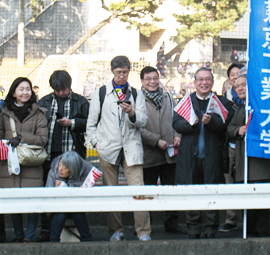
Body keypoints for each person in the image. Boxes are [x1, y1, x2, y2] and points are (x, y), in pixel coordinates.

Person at [86, 56, 151, 241]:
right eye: (118, 72)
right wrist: (97, 143)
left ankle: (143, 232)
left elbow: (143, 120)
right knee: (110, 190)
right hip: (107, 148)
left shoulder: (137, 94)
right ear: (112, 72)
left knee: (139, 190)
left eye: (125, 72)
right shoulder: (101, 93)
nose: (122, 76)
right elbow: (91, 124)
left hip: (132, 148)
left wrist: (131, 112)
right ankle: (116, 231)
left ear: (129, 71)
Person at [227, 75, 270, 237]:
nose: (241, 89)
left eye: (244, 85)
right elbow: (230, 128)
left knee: (264, 198)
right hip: (246, 161)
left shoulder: (263, 105)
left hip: (263, 160)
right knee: (250, 199)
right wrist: (239, 130)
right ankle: (252, 231)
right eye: (238, 86)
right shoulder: (240, 108)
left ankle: (269, 230)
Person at [173, 67, 233, 239]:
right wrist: (191, 124)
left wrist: (211, 122)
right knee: (191, 192)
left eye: (208, 79)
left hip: (212, 156)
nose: (204, 83)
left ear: (212, 81)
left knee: (212, 191)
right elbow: (175, 122)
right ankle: (193, 227)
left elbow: (225, 125)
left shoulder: (221, 102)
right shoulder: (186, 101)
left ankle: (210, 228)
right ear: (195, 82)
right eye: (200, 79)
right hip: (189, 157)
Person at [36, 70, 89, 242]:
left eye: (63, 90)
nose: (60, 93)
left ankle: (80, 232)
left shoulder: (80, 101)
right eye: (57, 90)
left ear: (69, 86)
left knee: (74, 194)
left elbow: (90, 123)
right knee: (48, 191)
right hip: (49, 154)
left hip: (72, 155)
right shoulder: (44, 101)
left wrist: (72, 123)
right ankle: (46, 229)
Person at [140, 66, 187, 234]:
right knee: (148, 191)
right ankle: (146, 225)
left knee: (171, 189)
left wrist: (177, 134)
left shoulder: (167, 96)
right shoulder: (137, 99)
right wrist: (155, 140)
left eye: (155, 78)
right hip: (149, 155)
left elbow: (176, 118)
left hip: (170, 153)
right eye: (148, 79)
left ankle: (172, 223)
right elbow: (137, 128)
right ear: (142, 81)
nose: (152, 82)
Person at [0, 77, 48, 242]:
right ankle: (18, 235)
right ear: (14, 92)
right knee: (13, 202)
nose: (25, 92)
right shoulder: (4, 114)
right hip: (9, 164)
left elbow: (43, 139)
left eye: (28, 89)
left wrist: (22, 138)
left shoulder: (39, 113)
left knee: (32, 203)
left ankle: (29, 236)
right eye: (21, 89)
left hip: (32, 164)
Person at [46, 151, 93, 242]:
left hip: (77, 207)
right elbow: (48, 195)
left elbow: (84, 197)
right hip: (58, 207)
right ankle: (53, 242)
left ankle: (87, 240)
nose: (60, 169)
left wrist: (65, 187)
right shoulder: (53, 172)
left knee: (77, 213)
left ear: (73, 169)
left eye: (65, 167)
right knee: (60, 214)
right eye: (60, 164)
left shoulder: (86, 173)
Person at [219, 62, 244, 233]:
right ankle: (230, 218)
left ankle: (248, 218)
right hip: (229, 145)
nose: (236, 78)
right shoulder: (224, 99)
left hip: (246, 146)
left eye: (239, 74)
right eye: (233, 75)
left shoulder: (252, 97)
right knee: (229, 182)